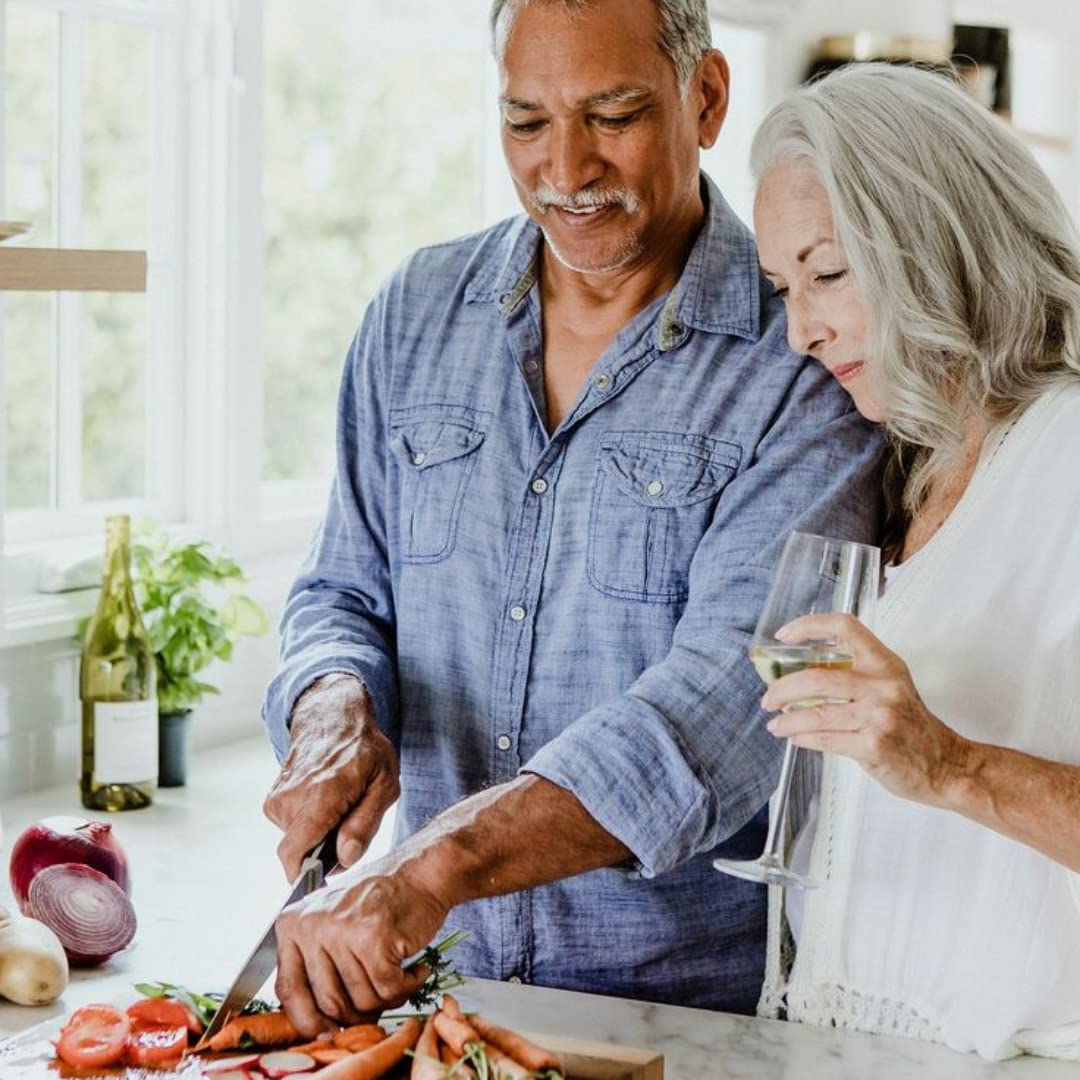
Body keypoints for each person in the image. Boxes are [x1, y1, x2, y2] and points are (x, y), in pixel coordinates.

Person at [260, 0, 881, 1036]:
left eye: (613, 114)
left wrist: (434, 864)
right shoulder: (413, 314)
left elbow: (729, 706)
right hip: (434, 995)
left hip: (685, 1017)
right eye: (525, 121)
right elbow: (341, 591)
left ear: (707, 97)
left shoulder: (807, 354)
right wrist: (332, 704)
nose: (566, 168)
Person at [750, 62, 1080, 1061]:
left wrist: (951, 765)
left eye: (827, 273)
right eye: (782, 288)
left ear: (930, 236)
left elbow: (934, 769)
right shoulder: (911, 463)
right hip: (864, 1046)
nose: (802, 328)